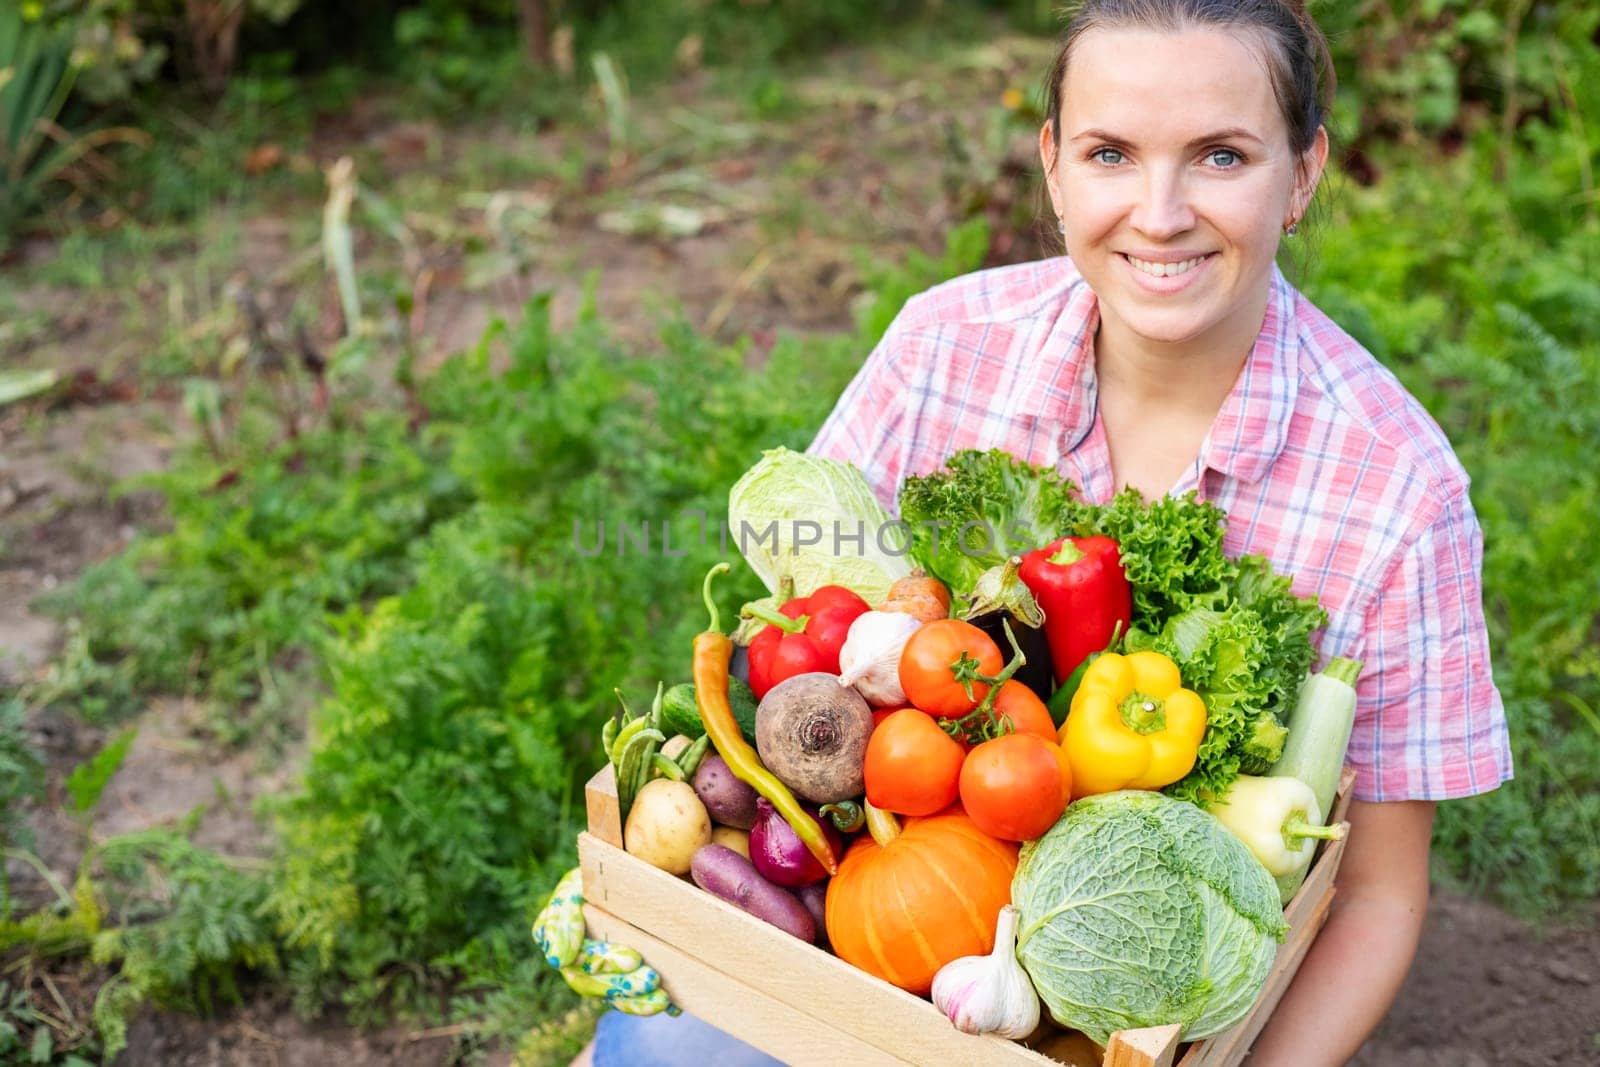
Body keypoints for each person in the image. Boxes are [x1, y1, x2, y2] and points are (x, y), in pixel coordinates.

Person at [553, 2, 1513, 1064]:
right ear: (1053, 168)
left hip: (1127, 1009)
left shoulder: (1396, 489)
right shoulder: (941, 348)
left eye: (1220, 156)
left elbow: (1374, 890)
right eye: (1110, 152)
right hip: (871, 906)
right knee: (664, 1055)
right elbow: (807, 637)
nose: (1159, 213)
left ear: (1300, 175)